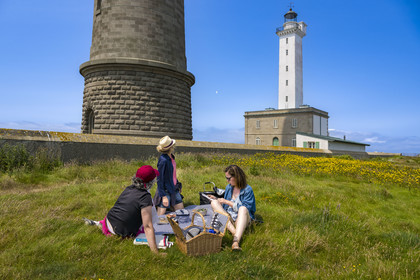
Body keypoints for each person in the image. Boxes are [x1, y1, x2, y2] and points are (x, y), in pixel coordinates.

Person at [83, 165, 161, 254]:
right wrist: (155, 252)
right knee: (146, 229)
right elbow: (148, 226)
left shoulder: (129, 188)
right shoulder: (145, 197)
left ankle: (99, 223)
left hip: (108, 221)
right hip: (119, 231)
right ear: (151, 182)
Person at [209, 165, 256, 251]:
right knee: (214, 202)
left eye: (229, 178)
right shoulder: (229, 187)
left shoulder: (248, 190)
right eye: (226, 178)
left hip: (241, 218)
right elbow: (224, 206)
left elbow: (247, 209)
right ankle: (236, 233)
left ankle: (235, 242)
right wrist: (216, 199)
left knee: (243, 208)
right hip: (229, 218)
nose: (227, 181)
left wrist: (226, 201)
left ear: (237, 177)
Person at [154, 135, 184, 215]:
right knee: (160, 216)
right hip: (166, 191)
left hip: (174, 189)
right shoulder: (163, 160)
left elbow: (173, 174)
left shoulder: (171, 157)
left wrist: (177, 184)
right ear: (171, 147)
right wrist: (163, 196)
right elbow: (159, 179)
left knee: (181, 213)